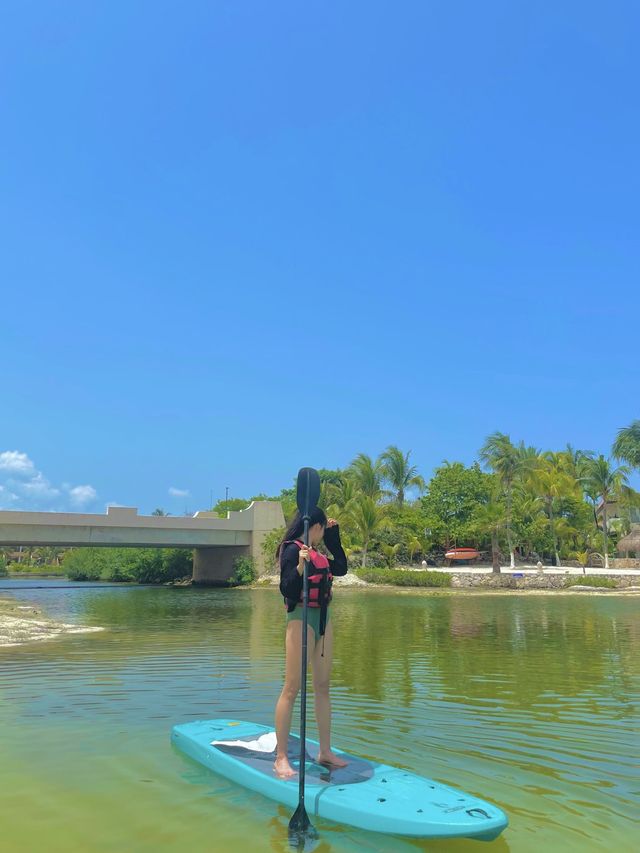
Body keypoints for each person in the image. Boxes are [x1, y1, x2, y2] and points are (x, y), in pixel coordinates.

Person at [273, 507, 348, 779]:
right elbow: (288, 588)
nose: (323, 532)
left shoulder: (320, 552)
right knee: (292, 687)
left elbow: (341, 567)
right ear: (313, 525)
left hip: (323, 621)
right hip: (300, 618)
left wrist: (334, 538)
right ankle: (281, 757)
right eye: (322, 528)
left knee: (323, 686)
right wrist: (301, 565)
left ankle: (325, 751)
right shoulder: (293, 549)